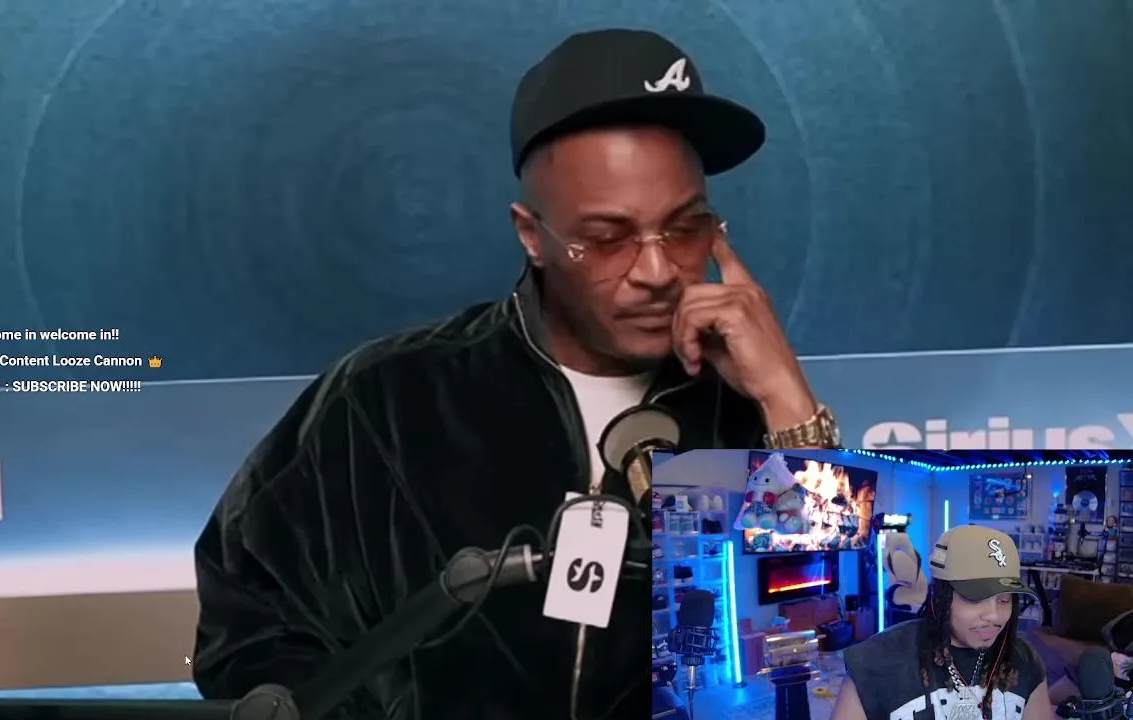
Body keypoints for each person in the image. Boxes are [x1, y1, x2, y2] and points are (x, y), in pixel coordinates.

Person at [192, 29, 841, 720]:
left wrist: (787, 402)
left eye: (685, 230)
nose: (657, 271)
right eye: (608, 239)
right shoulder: (383, 399)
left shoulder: (754, 418)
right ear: (532, 234)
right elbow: (250, 627)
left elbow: (831, 669)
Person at [833, 525, 1054, 720]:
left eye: (1004, 600)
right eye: (976, 599)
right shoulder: (877, 662)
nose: (995, 616)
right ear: (941, 597)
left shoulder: (1024, 659)